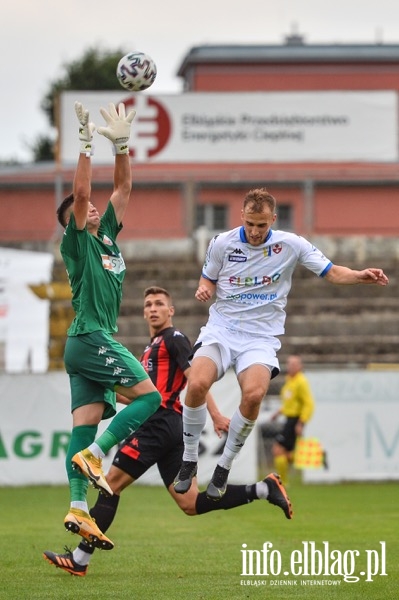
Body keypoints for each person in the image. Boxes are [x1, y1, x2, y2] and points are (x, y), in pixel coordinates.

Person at [43, 286, 292, 577]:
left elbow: (195, 380)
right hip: (170, 428)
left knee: (110, 484)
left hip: (159, 424)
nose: (153, 308)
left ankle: (80, 559)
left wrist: (214, 414)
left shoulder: (173, 339)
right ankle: (263, 489)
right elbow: (135, 395)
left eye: (159, 303)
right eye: (148, 304)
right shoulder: (151, 347)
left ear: (170, 311)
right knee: (190, 503)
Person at [173, 187, 389, 501]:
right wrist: (204, 288)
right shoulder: (222, 243)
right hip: (222, 329)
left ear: (273, 219)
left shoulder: (291, 244)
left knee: (255, 394)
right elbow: (207, 277)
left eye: (262, 225)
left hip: (260, 336)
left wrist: (360, 275)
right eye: (250, 223)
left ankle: (224, 466)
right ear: (242, 217)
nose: (255, 231)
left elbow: (331, 272)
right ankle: (189, 459)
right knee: (196, 383)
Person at [55, 101, 162, 551]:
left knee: (83, 426)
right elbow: (81, 197)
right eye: (83, 210)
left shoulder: (107, 237)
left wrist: (121, 145)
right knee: (151, 397)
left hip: (81, 347)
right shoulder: (78, 241)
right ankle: (97, 455)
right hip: (91, 336)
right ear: (71, 225)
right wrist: (85, 146)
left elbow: (122, 187)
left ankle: (78, 509)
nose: (93, 208)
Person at [271, 355, 315, 486]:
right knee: (286, 453)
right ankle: (284, 480)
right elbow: (290, 403)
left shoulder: (301, 382)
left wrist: (301, 422)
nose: (290, 366)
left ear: (300, 366)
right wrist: (278, 412)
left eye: (294, 364)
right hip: (289, 419)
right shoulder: (290, 381)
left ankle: (283, 482)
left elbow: (309, 404)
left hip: (294, 420)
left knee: (278, 450)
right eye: (289, 364)